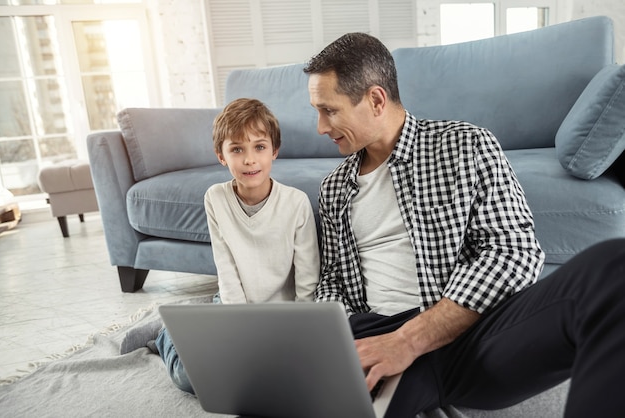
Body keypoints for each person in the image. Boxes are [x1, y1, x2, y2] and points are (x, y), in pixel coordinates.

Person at [304, 32, 625, 417]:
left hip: (468, 334)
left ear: (375, 100)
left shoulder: (466, 145)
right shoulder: (334, 187)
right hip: (373, 335)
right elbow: (333, 281)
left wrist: (409, 340)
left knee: (614, 270)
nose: (321, 126)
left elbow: (514, 253)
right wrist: (334, 345)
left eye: (330, 110)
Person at [120, 98, 320, 394]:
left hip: (283, 317)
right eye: (237, 149)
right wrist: (242, 334)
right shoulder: (216, 198)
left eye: (259, 147)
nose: (250, 159)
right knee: (192, 378)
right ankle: (166, 335)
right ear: (221, 156)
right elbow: (225, 269)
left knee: (286, 376)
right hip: (232, 308)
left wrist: (300, 333)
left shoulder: (296, 203)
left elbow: (308, 281)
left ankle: (195, 326)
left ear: (275, 151)